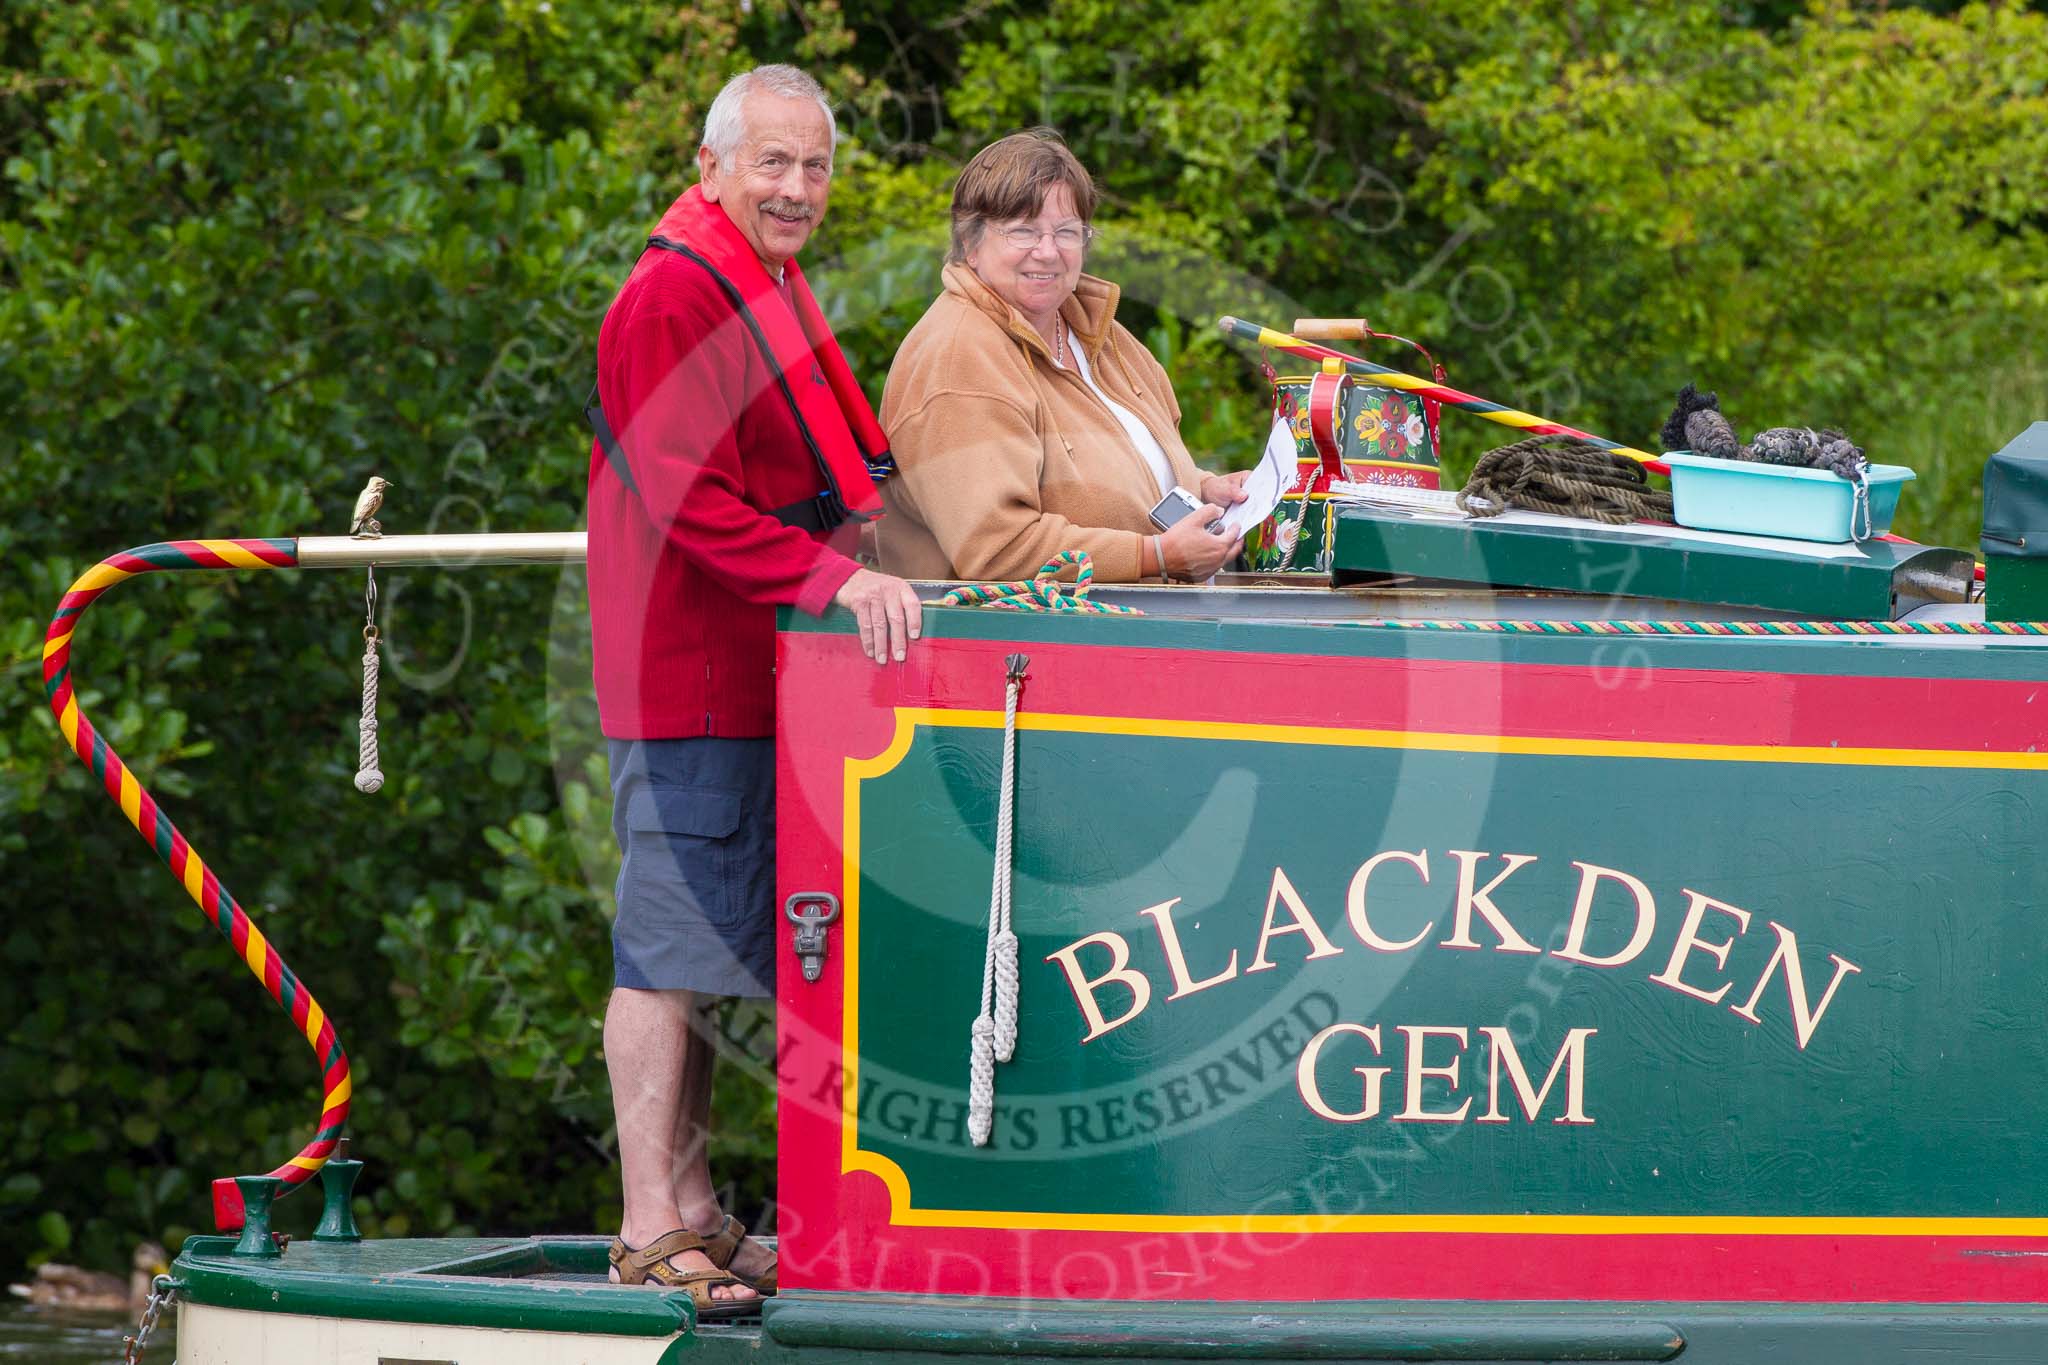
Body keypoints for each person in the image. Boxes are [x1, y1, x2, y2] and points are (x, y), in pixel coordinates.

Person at [584, 64, 921, 1313]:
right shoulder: (673, 295)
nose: (794, 188)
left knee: (714, 945)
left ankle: (695, 1211)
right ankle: (642, 1226)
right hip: (689, 669)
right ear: (713, 164)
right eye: (771, 163)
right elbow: (683, 498)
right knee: (664, 954)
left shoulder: (759, 274)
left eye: (813, 166)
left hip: (747, 666)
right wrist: (833, 578)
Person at [876, 129, 1248, 584]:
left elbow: (1132, 471)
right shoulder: (958, 358)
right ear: (970, 244)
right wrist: (1157, 555)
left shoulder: (1096, 331)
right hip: (1015, 647)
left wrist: (1207, 489)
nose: (1048, 252)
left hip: (1137, 632)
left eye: (1066, 232)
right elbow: (998, 551)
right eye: (1023, 231)